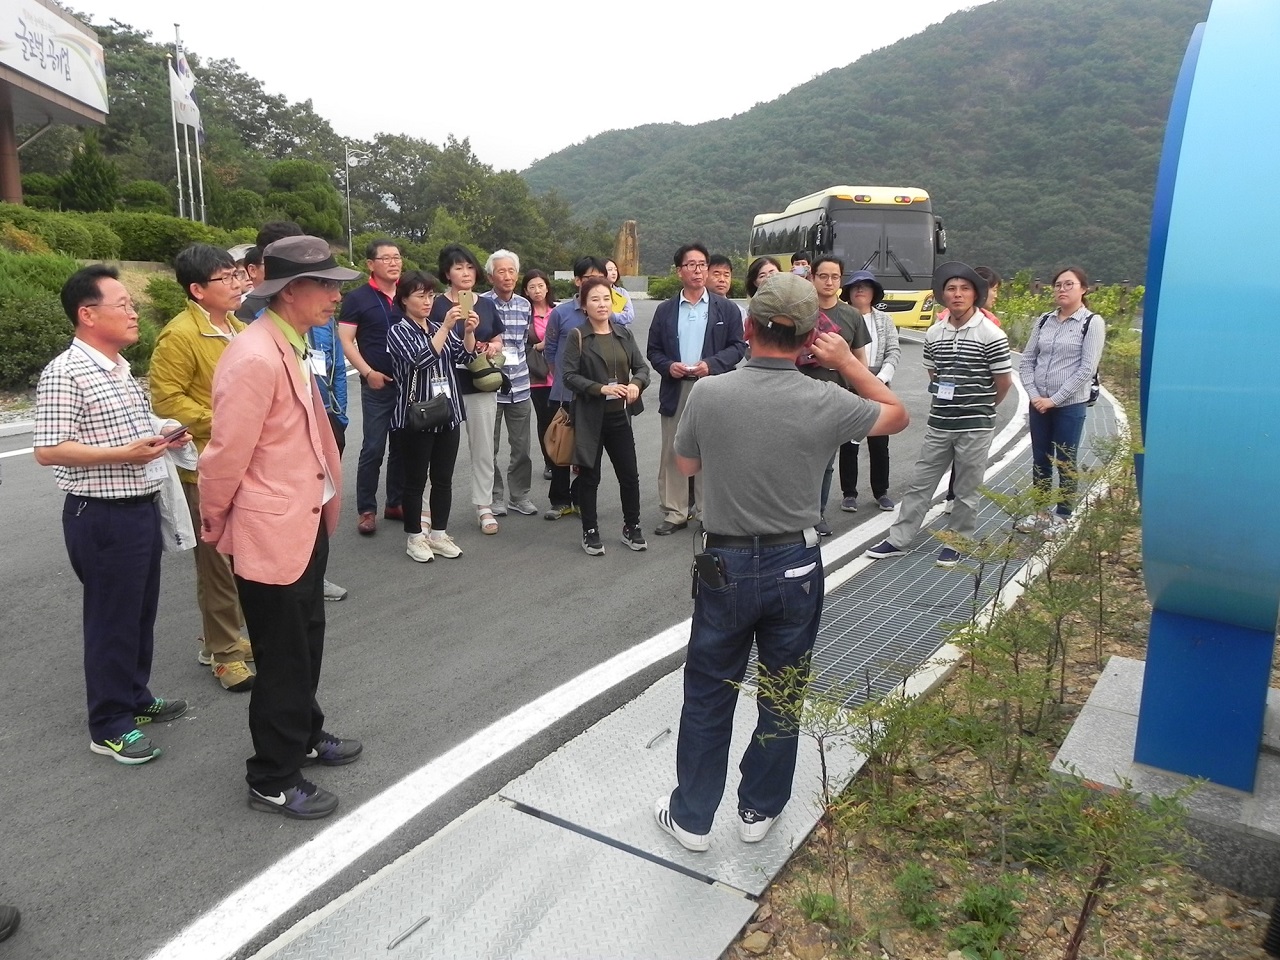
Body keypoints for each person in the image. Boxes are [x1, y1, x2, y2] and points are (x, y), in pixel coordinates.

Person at [653, 272, 908, 852]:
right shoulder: (827, 398)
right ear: (810, 337)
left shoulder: (712, 393)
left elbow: (687, 468)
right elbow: (895, 414)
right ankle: (758, 809)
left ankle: (692, 817)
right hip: (797, 562)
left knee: (710, 690)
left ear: (748, 327)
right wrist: (846, 362)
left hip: (725, 563)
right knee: (783, 689)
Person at [200, 236, 362, 820]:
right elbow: (224, 456)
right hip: (271, 528)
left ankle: (304, 733)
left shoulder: (289, 342)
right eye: (327, 285)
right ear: (292, 291)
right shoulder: (254, 355)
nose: (335, 296)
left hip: (302, 519)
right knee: (283, 653)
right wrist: (216, 524)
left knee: (306, 638)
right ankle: (272, 774)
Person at [33, 265, 190, 765]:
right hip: (100, 515)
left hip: (139, 507)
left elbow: (135, 424)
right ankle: (108, 724)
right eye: (122, 304)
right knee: (110, 619)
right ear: (87, 314)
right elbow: (49, 449)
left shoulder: (118, 369)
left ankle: (135, 699)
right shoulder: (66, 372)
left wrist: (165, 429)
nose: (133, 311)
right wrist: (123, 454)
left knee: (139, 612)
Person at [150, 243, 256, 692]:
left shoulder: (238, 327)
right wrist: (227, 421)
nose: (237, 285)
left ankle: (220, 638)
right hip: (206, 465)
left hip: (245, 458)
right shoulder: (180, 336)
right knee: (216, 561)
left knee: (241, 554)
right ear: (196, 290)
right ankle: (226, 652)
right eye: (225, 278)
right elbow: (167, 399)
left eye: (237, 276)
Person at [865, 262, 1013, 567]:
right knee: (921, 481)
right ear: (943, 295)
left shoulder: (992, 335)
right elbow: (934, 374)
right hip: (940, 422)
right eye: (951, 288)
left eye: (964, 289)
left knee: (966, 487)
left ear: (975, 294)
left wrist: (981, 408)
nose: (957, 294)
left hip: (975, 423)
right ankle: (899, 539)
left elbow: (1003, 383)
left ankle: (956, 541)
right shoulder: (934, 334)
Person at [646, 242, 747, 535]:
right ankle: (675, 512)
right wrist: (668, 366)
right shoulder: (665, 310)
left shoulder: (725, 309)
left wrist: (711, 364)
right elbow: (653, 350)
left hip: (712, 386)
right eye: (691, 265)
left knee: (711, 450)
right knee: (674, 450)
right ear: (679, 271)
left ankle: (708, 513)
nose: (698, 270)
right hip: (676, 388)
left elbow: (737, 347)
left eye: (702, 264)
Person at [388, 270, 478, 562]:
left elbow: (465, 357)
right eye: (420, 296)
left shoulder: (441, 325)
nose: (427, 302)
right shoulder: (398, 331)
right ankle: (415, 537)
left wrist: (467, 331)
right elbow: (421, 360)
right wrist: (444, 329)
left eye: (430, 296)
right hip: (415, 416)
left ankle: (439, 534)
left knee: (443, 479)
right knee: (415, 481)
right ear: (404, 299)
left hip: (447, 413)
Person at [562, 276, 651, 555]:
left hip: (620, 416)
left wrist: (636, 385)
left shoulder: (623, 333)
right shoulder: (578, 335)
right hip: (590, 416)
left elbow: (642, 368)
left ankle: (632, 526)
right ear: (584, 305)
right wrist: (599, 388)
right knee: (590, 477)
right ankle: (590, 531)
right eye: (595, 299)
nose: (601, 304)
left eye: (606, 298)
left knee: (629, 475)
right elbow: (568, 376)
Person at [1016, 265, 1105, 536]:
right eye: (1058, 285)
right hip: (1038, 403)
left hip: (1069, 405)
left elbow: (1086, 369)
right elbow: (1027, 360)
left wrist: (1054, 400)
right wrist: (1034, 396)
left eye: (1069, 284)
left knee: (1065, 460)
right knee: (1040, 458)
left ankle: (1063, 515)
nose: (1062, 289)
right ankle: (1040, 511)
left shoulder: (1091, 322)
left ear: (1083, 289)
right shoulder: (1044, 320)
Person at [430, 244, 506, 534]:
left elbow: (500, 340)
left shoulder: (486, 305)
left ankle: (484, 505)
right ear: (447, 273)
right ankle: (426, 508)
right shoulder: (435, 304)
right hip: (444, 383)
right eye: (458, 267)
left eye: (470, 267)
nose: (465, 272)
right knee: (435, 449)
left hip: (480, 382)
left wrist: (493, 346)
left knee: (484, 446)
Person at [339, 238, 406, 536]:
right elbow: (345, 340)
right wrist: (368, 373)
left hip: (410, 385)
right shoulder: (357, 298)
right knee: (374, 448)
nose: (394, 262)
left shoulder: (409, 294)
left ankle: (396, 502)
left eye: (397, 257)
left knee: (403, 448)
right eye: (386, 258)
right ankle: (367, 509)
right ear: (370, 264)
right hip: (377, 385)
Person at [807, 255, 870, 535]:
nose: (829, 282)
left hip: (835, 398)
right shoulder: (801, 311)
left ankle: (816, 514)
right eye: (823, 276)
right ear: (812, 277)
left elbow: (860, 360)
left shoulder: (851, 316)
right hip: (800, 395)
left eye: (835, 277)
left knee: (826, 463)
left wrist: (860, 393)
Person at [542, 256, 608, 520]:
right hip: (565, 393)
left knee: (589, 449)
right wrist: (561, 379)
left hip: (596, 394)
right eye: (588, 278)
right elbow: (550, 349)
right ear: (578, 281)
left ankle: (582, 498)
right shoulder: (561, 313)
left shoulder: (606, 311)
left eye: (599, 277)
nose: (593, 283)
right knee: (562, 445)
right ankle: (559, 500)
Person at [838, 269, 901, 513]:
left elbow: (893, 352)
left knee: (879, 442)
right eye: (855, 287)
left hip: (879, 384)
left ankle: (881, 491)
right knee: (849, 442)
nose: (860, 290)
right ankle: (849, 493)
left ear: (874, 292)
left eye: (866, 286)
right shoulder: (843, 317)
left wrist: (879, 379)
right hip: (850, 385)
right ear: (849, 293)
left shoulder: (885, 320)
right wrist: (855, 378)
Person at [942, 266, 1002, 513]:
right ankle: (954, 496)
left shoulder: (990, 324)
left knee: (965, 455)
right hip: (957, 403)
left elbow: (1001, 375)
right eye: (994, 290)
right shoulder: (946, 322)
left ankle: (955, 497)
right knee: (961, 453)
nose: (995, 296)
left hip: (971, 402)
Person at [482, 250, 538, 517]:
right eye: (501, 271)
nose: (507, 276)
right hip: (489, 386)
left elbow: (523, 342)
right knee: (488, 448)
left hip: (520, 384)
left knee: (522, 447)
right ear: (490, 276)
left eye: (511, 271)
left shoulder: (525, 305)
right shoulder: (480, 304)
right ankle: (494, 497)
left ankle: (519, 495)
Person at [523, 269, 557, 480]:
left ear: (547, 287)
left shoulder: (558, 311)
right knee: (545, 420)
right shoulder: (525, 315)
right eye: (532, 287)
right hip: (538, 376)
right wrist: (539, 346)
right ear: (526, 291)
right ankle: (550, 462)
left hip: (561, 374)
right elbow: (521, 344)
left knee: (565, 419)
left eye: (541, 286)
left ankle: (566, 457)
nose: (537, 290)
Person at [603, 258, 635, 326]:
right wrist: (621, 313)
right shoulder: (595, 292)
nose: (614, 273)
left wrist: (613, 315)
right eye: (610, 270)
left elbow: (630, 315)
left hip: (619, 333)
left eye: (615, 269)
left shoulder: (622, 292)